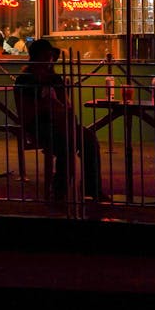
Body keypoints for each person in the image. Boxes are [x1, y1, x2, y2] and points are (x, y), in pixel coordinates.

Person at [14, 37, 106, 203]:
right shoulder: (25, 80)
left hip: (60, 122)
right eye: (46, 56)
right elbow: (25, 113)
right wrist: (46, 106)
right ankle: (59, 190)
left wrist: (63, 113)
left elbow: (67, 106)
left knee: (89, 139)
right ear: (37, 58)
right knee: (66, 144)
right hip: (37, 125)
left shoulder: (55, 79)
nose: (50, 60)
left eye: (51, 57)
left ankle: (92, 189)